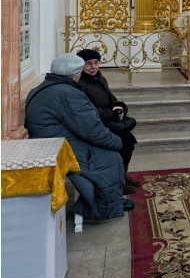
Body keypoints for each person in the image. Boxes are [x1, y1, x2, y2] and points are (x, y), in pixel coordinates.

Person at [24, 53, 132, 218]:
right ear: (76, 74)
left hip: (50, 141)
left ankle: (110, 200)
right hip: (58, 146)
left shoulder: (45, 87)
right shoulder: (67, 93)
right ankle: (101, 206)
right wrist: (115, 142)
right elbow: (91, 129)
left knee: (114, 147)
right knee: (110, 157)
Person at [76, 49, 140, 193]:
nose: (93, 67)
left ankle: (122, 176)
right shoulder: (80, 84)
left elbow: (112, 99)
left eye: (96, 63)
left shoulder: (100, 78)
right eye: (88, 64)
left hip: (109, 120)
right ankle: (117, 181)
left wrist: (121, 107)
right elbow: (89, 110)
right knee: (121, 144)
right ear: (81, 66)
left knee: (128, 142)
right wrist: (112, 114)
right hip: (97, 124)